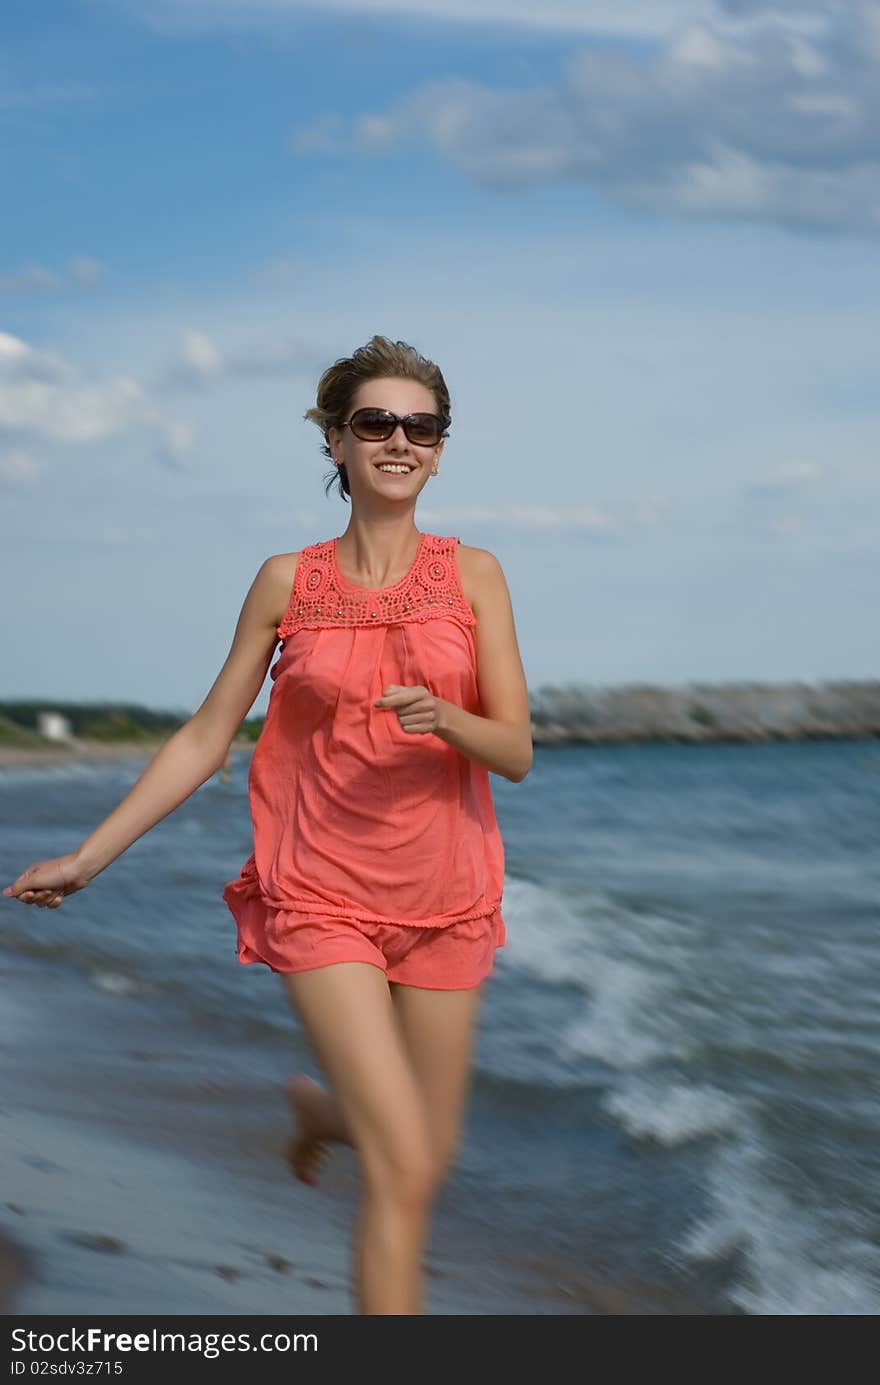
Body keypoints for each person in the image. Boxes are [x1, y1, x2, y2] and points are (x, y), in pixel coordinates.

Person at [2, 334, 533, 1316]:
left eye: (421, 426)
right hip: (319, 890)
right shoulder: (289, 581)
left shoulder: (477, 576)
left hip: (448, 896)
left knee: (428, 1150)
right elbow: (207, 735)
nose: (398, 440)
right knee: (406, 1168)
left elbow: (514, 748)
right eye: (375, 422)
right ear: (335, 441)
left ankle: (320, 1113)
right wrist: (90, 855)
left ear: (441, 449)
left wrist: (445, 716)